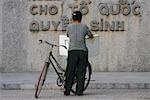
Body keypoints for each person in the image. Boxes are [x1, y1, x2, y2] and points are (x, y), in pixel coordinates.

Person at [64, 11, 93, 96]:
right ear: (81, 18)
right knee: (81, 71)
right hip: (82, 51)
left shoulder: (69, 27)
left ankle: (67, 91)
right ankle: (79, 91)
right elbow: (90, 35)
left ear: (72, 18)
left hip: (72, 51)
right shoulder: (85, 26)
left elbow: (68, 35)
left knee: (70, 71)